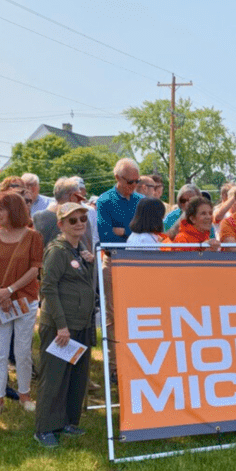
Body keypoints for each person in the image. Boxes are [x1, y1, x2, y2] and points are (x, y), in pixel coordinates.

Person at [34, 203, 97, 448]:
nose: (80, 223)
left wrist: (90, 263)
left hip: (80, 322)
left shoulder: (79, 248)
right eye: (73, 220)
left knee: (76, 377)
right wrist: (61, 326)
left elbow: (82, 282)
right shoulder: (57, 250)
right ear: (61, 225)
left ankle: (68, 421)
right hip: (61, 326)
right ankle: (44, 428)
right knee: (54, 377)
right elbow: (48, 287)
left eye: (82, 219)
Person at [0, 192, 41, 418]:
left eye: (2, 209)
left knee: (23, 351)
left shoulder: (33, 236)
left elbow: (35, 268)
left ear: (14, 211)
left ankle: (24, 395)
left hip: (25, 300)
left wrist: (10, 290)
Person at [96, 159, 142, 377]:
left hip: (139, 263)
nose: (134, 185)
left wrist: (123, 232)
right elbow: (106, 236)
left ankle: (137, 363)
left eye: (137, 181)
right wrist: (135, 234)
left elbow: (152, 232)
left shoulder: (141, 201)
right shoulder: (105, 201)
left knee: (139, 314)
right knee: (113, 316)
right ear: (117, 178)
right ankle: (115, 368)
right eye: (130, 181)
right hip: (114, 261)